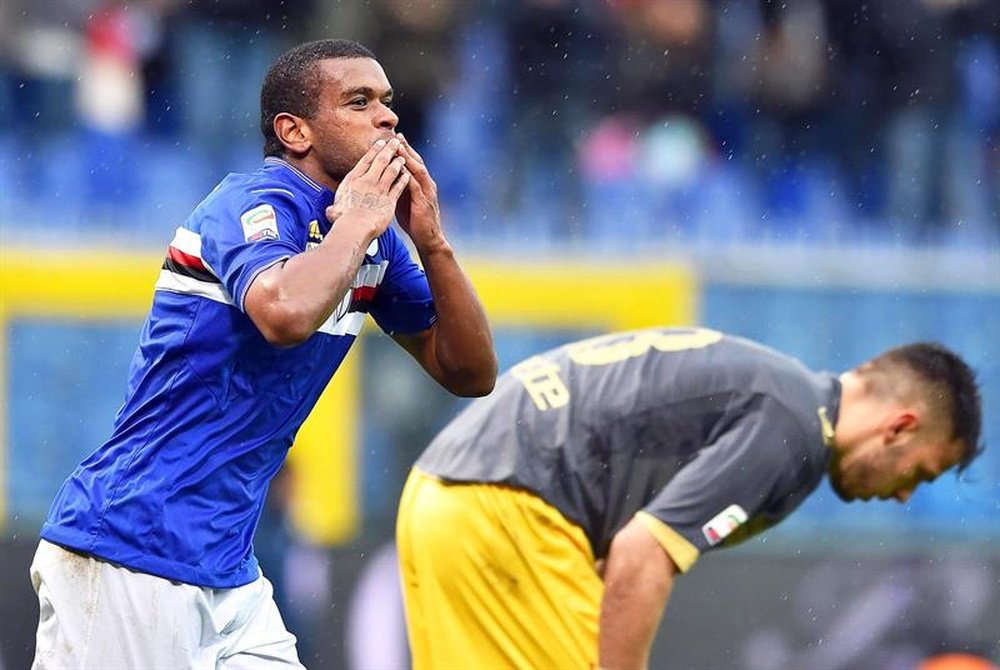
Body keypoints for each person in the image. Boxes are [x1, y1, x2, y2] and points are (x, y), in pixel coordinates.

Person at [31, 38, 497, 669]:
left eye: (387, 102)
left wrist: (434, 243)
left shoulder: (377, 242)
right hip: (130, 546)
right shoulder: (251, 203)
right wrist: (357, 224)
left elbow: (470, 372)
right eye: (358, 102)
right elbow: (283, 315)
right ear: (294, 131)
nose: (387, 118)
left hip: (228, 565)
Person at [396, 326, 983, 669]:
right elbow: (640, 555)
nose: (905, 495)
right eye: (920, 474)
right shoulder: (793, 428)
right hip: (512, 510)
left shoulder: (777, 391)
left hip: (442, 493)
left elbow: (615, 559)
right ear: (900, 426)